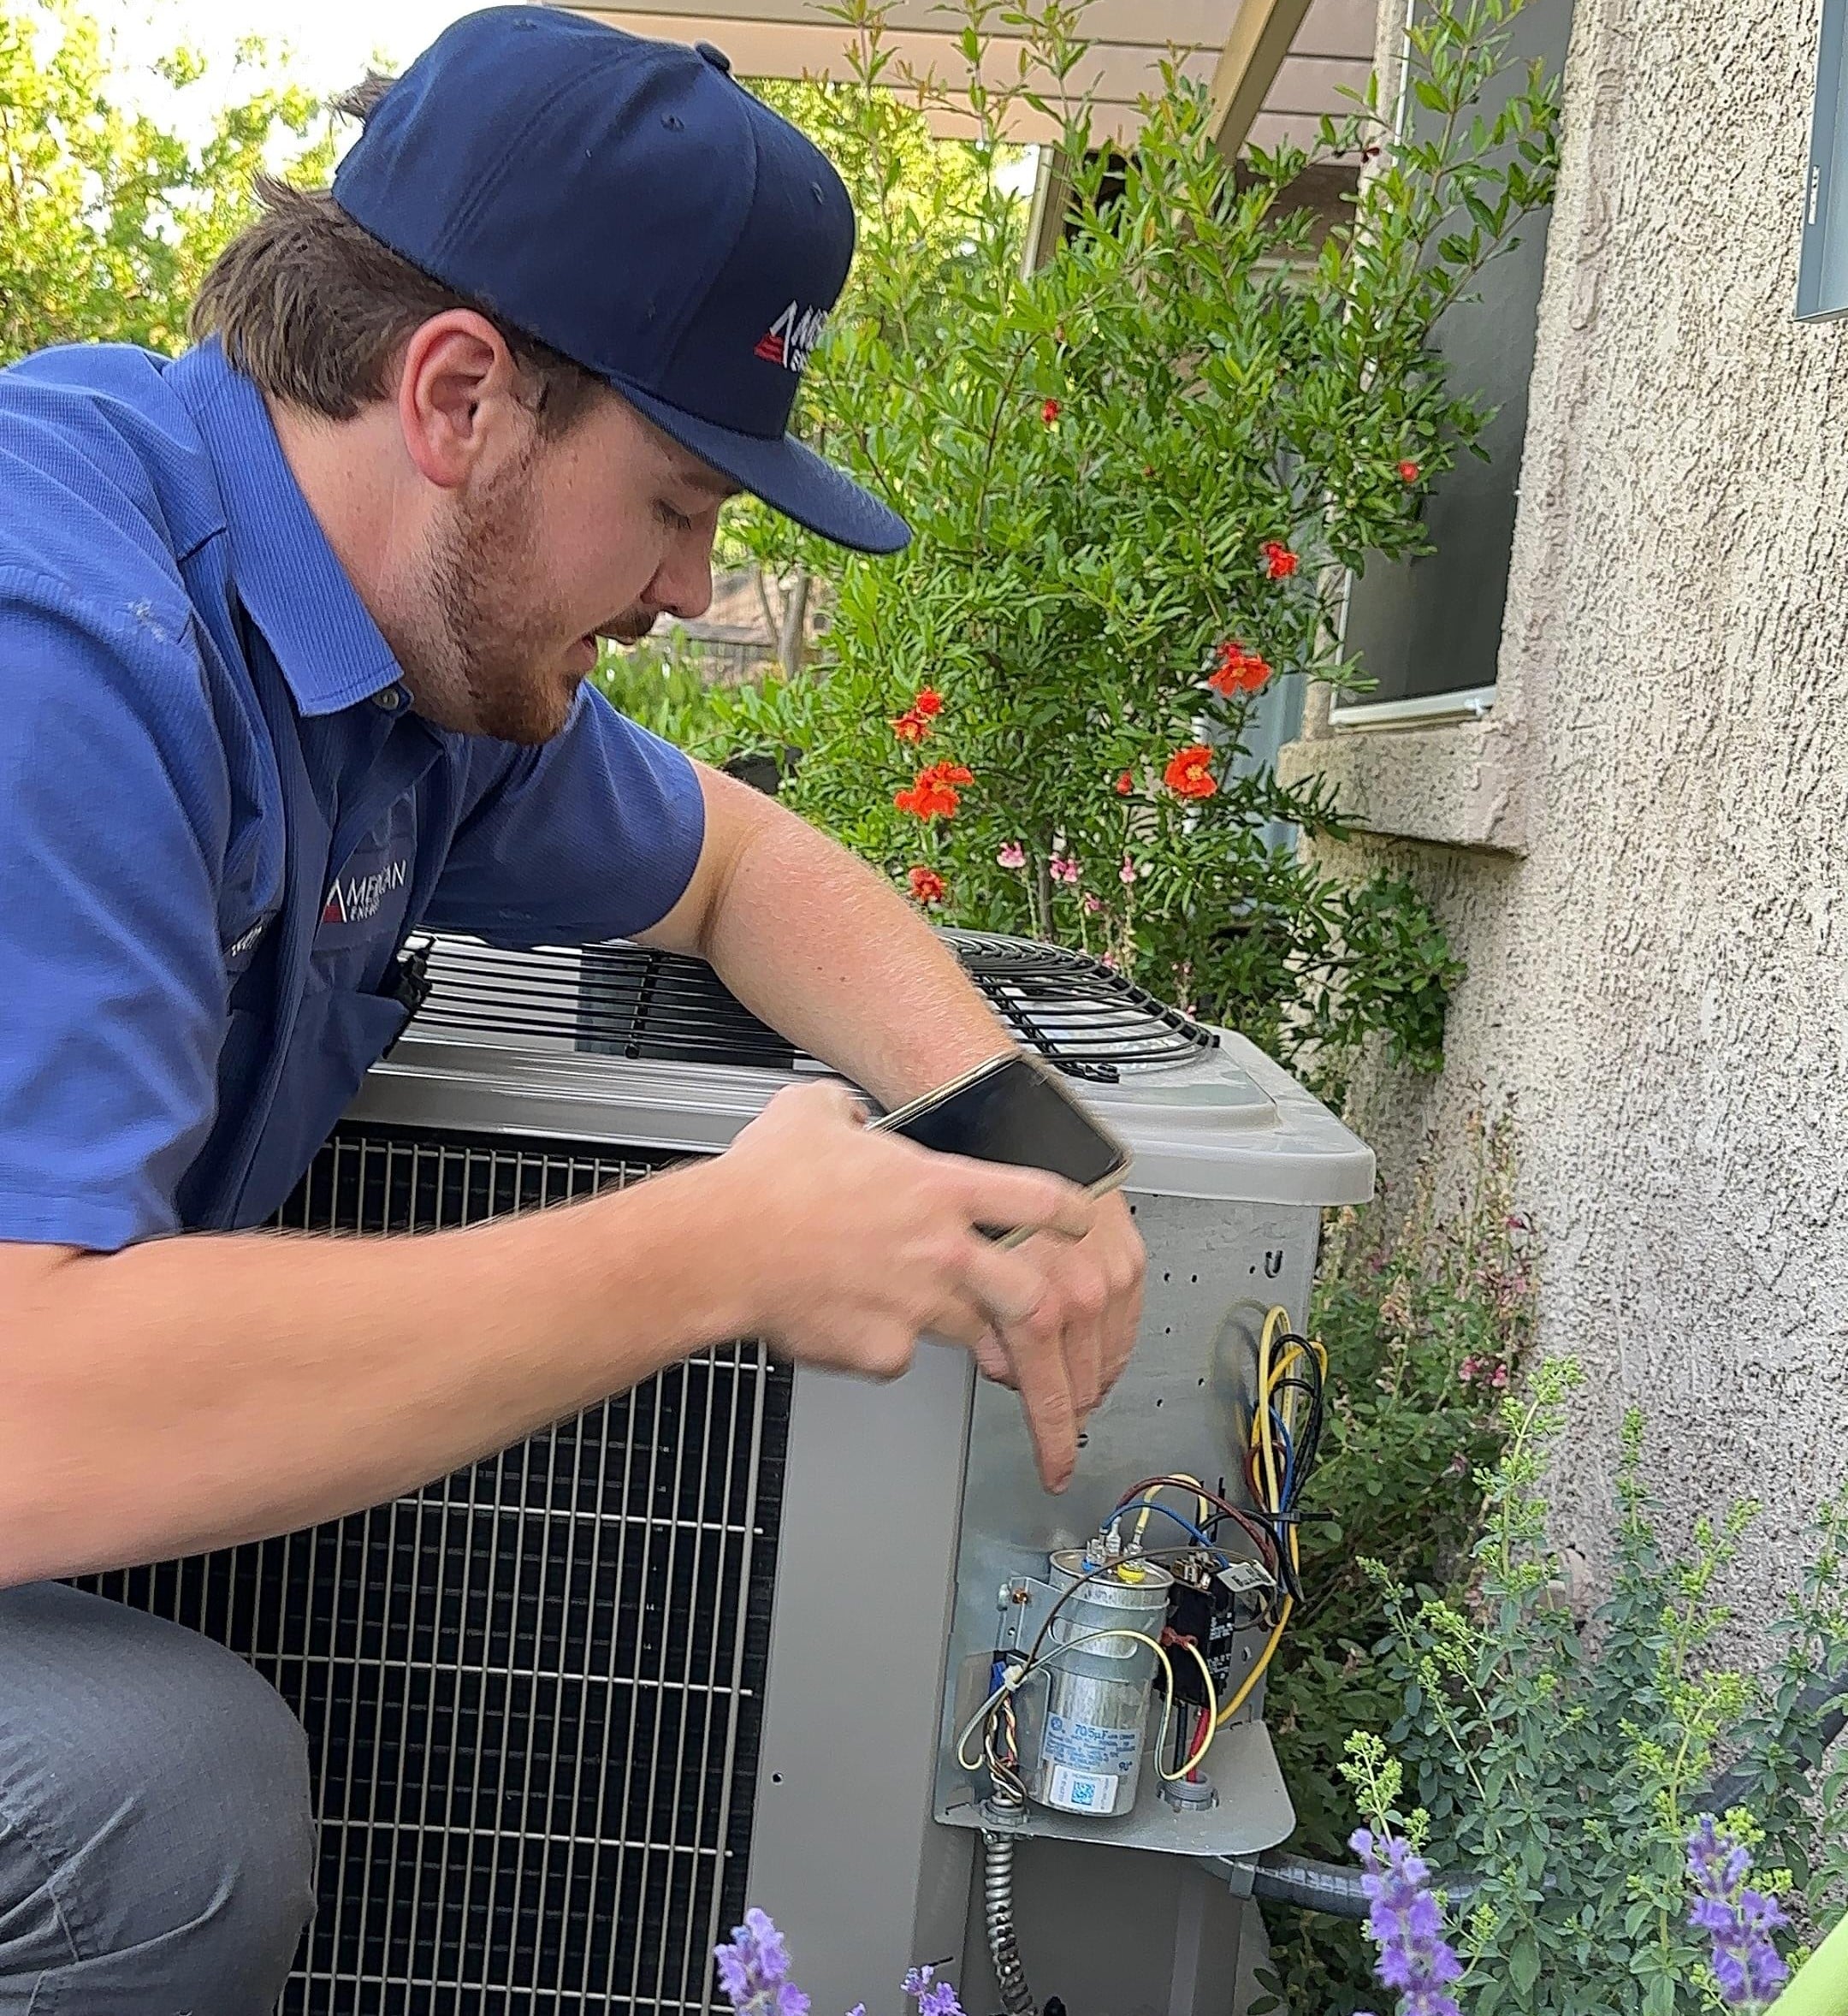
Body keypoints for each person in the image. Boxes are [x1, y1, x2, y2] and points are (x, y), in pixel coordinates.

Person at [0, 11, 1147, 2010]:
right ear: (460, 393)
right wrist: (715, 1250)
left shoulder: (413, 679)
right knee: (159, 1798)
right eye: (683, 501)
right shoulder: (67, 651)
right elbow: (23, 1410)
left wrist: (1029, 1141)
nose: (695, 591)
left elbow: (738, 865)